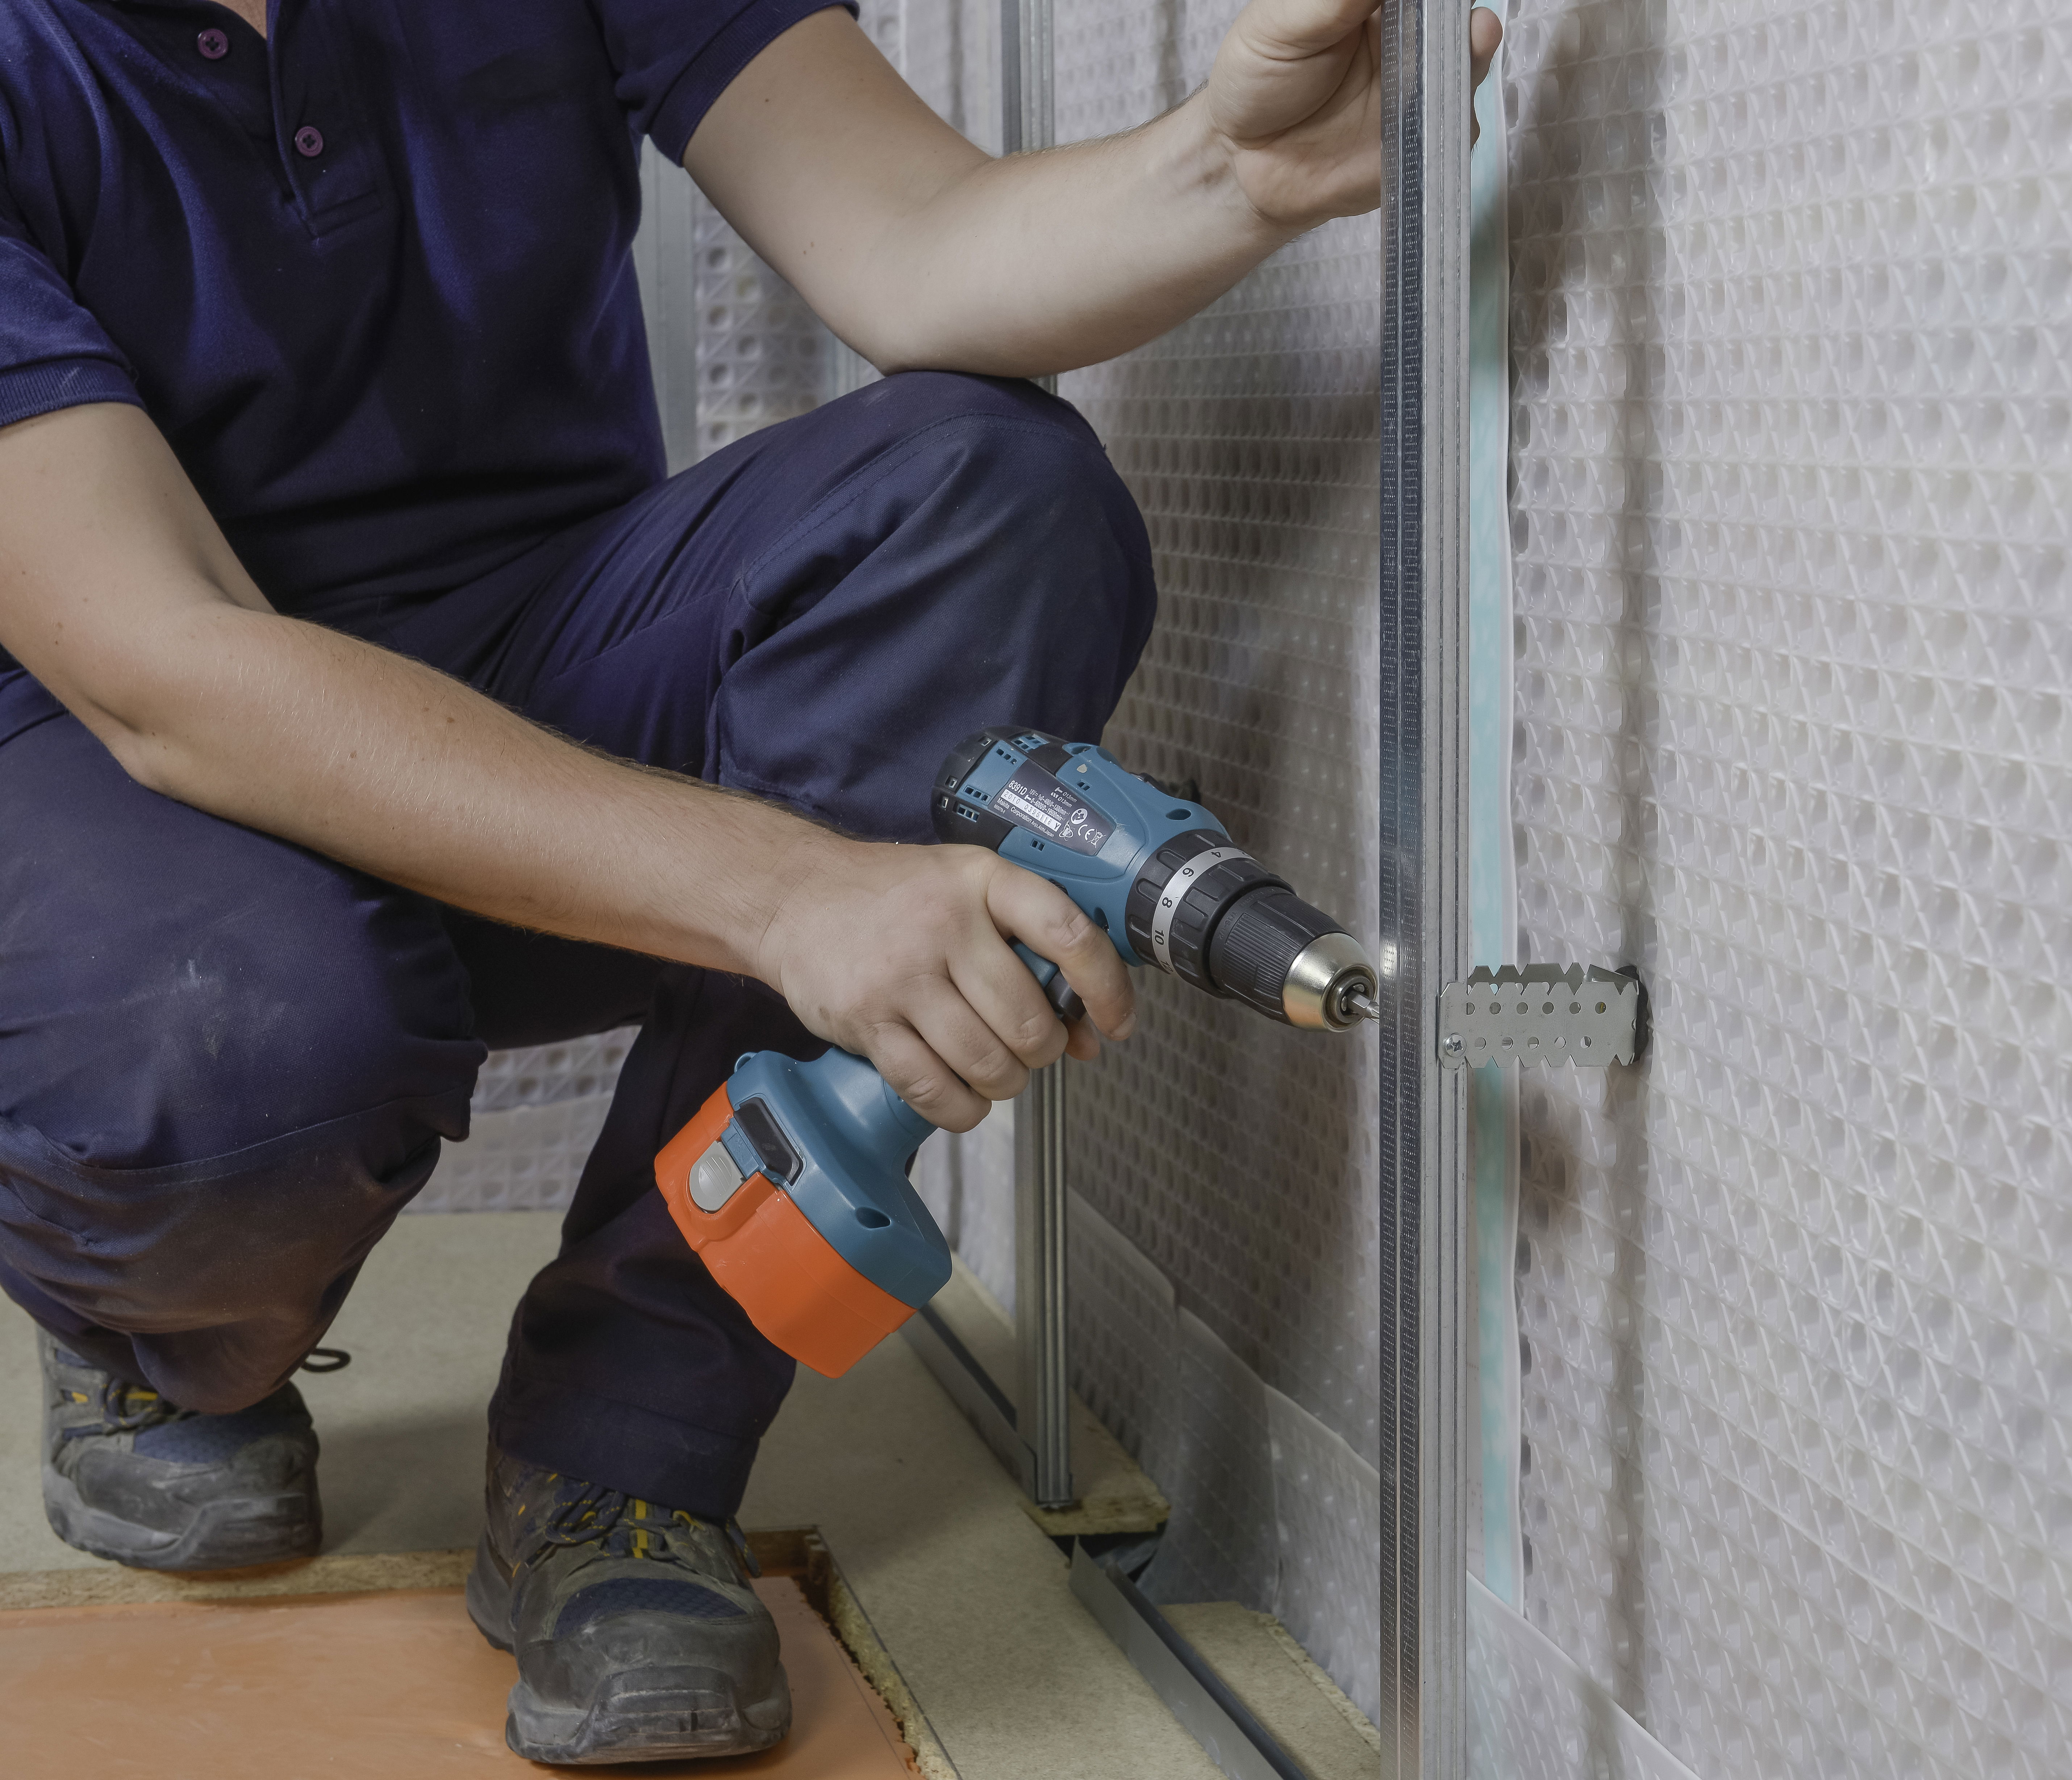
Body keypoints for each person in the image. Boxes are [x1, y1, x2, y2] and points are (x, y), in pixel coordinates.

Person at [0, 0, 1496, 1761]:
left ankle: (625, 1451)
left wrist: (1229, 172)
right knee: (235, 1050)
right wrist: (789, 890)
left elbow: (924, 249)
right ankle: (151, 1328)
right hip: (110, 766)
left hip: (551, 667)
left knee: (988, 489)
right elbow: (164, 666)